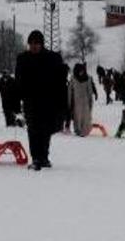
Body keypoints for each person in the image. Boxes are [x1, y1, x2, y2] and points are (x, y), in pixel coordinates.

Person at [15, 30, 67, 170]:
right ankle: (36, 158)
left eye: (37, 43)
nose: (34, 46)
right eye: (31, 43)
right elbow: (18, 81)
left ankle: (44, 157)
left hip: (48, 101)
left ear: (41, 44)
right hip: (30, 101)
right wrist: (17, 99)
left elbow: (60, 81)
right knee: (33, 129)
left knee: (46, 130)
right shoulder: (23, 59)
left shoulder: (52, 58)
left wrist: (62, 102)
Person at [69, 63, 96, 136]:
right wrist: (69, 102)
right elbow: (70, 91)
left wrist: (90, 102)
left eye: (82, 71)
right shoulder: (73, 79)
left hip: (85, 101)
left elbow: (90, 91)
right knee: (77, 117)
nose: (81, 72)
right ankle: (78, 130)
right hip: (76, 101)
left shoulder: (88, 78)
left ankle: (84, 131)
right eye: (80, 71)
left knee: (86, 117)